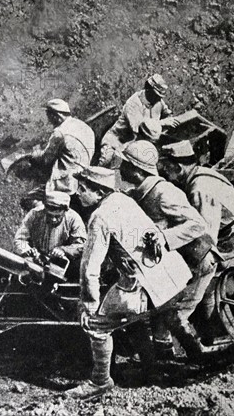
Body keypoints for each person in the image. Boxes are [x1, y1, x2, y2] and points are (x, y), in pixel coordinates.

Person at [64, 166, 191, 399]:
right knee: (136, 319)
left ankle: (100, 381)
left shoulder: (99, 217)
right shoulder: (124, 200)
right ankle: (160, 369)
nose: (78, 194)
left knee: (97, 325)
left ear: (99, 192)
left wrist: (88, 304)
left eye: (83, 189)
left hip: (144, 285)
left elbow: (90, 267)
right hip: (171, 276)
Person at [118, 141, 222, 361]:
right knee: (163, 314)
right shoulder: (142, 191)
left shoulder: (164, 192)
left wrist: (163, 236)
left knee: (176, 316)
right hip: (178, 266)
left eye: (124, 164)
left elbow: (197, 224)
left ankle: (199, 359)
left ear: (137, 169)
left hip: (198, 261)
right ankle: (167, 360)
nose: (120, 168)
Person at [158, 140, 234, 344]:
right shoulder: (204, 172)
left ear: (178, 167)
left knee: (204, 279)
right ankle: (212, 328)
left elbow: (206, 235)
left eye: (167, 171)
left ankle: (209, 333)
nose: (167, 177)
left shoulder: (199, 188)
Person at [98, 74, 179, 168]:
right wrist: (162, 123)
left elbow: (167, 114)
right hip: (118, 142)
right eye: (156, 95)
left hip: (140, 143)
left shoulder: (157, 101)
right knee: (107, 160)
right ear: (148, 90)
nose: (159, 98)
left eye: (160, 96)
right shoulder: (133, 104)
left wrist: (171, 120)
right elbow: (141, 128)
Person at [13, 190, 86, 278]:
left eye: (57, 216)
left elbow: (81, 246)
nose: (53, 219)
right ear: (45, 209)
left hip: (59, 265)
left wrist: (64, 250)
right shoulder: (34, 214)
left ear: (65, 211)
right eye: (50, 215)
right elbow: (20, 239)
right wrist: (27, 250)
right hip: (35, 261)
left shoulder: (74, 219)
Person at [29, 99, 95, 195]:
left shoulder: (59, 133)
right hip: (84, 177)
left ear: (56, 116)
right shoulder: (85, 127)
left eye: (49, 116)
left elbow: (46, 159)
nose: (49, 120)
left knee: (30, 198)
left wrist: (36, 154)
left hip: (66, 184)